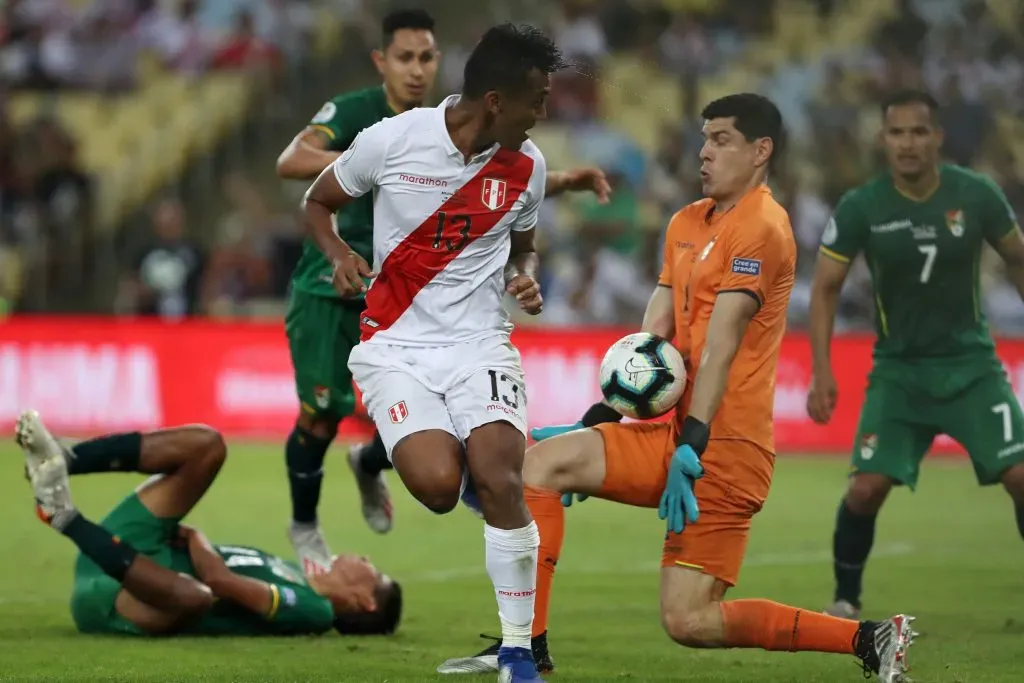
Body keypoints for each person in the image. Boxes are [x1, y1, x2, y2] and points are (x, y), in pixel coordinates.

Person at [438, 94, 916, 683]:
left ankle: (869, 639)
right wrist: (600, 417)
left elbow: (721, 344)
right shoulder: (686, 222)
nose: (704, 152)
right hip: (673, 433)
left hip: (726, 448)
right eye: (704, 138)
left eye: (721, 140)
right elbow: (649, 343)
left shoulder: (764, 228)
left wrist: (694, 439)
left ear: (760, 151)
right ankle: (525, 648)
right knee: (542, 466)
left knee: (689, 621)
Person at [275, 9, 610, 572]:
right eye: (404, 57)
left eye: (426, 57)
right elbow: (294, 164)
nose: (416, 69)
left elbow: (494, 195)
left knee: (439, 424)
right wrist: (375, 167)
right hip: (334, 281)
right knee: (321, 415)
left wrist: (562, 182)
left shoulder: (490, 135)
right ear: (382, 62)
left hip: (418, 297)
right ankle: (306, 526)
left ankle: (378, 462)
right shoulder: (369, 120)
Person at [300, 22, 567, 683]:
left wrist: (521, 272)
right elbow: (319, 200)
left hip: (480, 341)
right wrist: (338, 253)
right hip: (396, 346)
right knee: (441, 486)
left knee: (504, 481)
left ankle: (516, 656)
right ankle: (382, 456)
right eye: (537, 99)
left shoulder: (527, 166)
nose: (544, 113)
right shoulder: (394, 141)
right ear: (497, 100)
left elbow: (523, 241)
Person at [806, 89, 1024, 619]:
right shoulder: (862, 206)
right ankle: (845, 599)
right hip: (900, 374)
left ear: (937, 138)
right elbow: (826, 287)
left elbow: (1018, 259)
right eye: (897, 132)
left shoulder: (976, 195)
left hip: (972, 368)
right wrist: (822, 371)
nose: (908, 143)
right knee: (864, 489)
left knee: (1023, 477)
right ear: (883, 140)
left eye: (918, 131)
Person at [15, 410, 401, 637]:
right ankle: (63, 459)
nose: (365, 557)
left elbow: (220, 583)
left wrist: (198, 539)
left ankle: (62, 515)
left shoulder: (316, 611)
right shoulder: (292, 573)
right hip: (141, 551)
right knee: (208, 446)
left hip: (125, 598)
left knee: (197, 598)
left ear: (365, 602)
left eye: (373, 569)